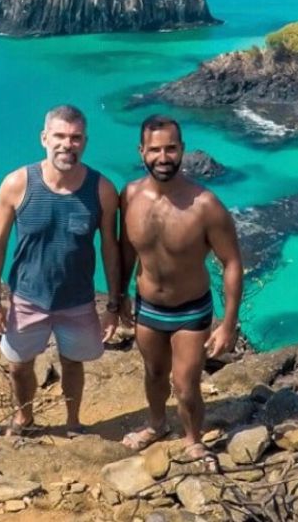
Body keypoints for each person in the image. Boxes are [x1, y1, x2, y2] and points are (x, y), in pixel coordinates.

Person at [0, 104, 123, 437]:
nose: (67, 144)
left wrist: (114, 304)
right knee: (19, 366)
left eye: (75, 138)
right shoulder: (16, 184)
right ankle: (24, 417)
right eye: (59, 136)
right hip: (27, 298)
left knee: (73, 362)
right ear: (44, 138)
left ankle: (73, 421)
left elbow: (110, 248)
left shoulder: (102, 190)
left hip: (77, 300)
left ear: (85, 142)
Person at [119, 114, 243, 463]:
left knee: (185, 385)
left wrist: (228, 324)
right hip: (147, 307)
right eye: (155, 149)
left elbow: (232, 262)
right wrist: (118, 297)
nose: (163, 157)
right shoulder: (129, 195)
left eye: (171, 148)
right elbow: (126, 249)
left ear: (182, 150)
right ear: (141, 151)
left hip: (191, 311)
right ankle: (156, 424)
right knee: (154, 373)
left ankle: (192, 439)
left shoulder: (205, 205)